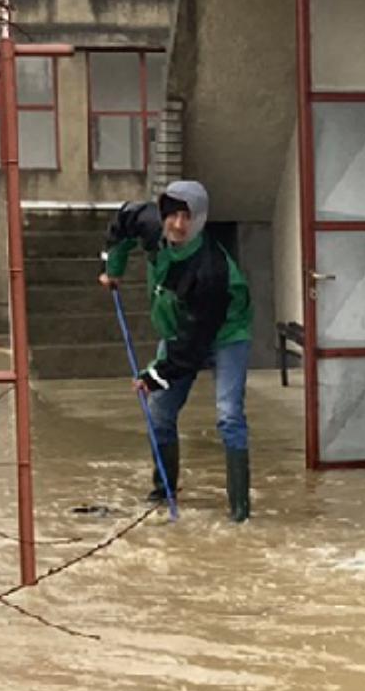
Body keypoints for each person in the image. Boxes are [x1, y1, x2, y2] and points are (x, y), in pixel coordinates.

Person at [100, 179, 256, 521]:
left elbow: (192, 345)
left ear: (200, 220)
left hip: (226, 333)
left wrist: (154, 375)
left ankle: (240, 513)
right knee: (159, 413)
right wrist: (113, 268)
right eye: (173, 215)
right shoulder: (152, 226)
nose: (178, 225)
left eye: (188, 217)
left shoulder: (210, 272)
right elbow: (124, 220)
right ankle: (163, 492)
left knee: (228, 415)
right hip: (180, 332)